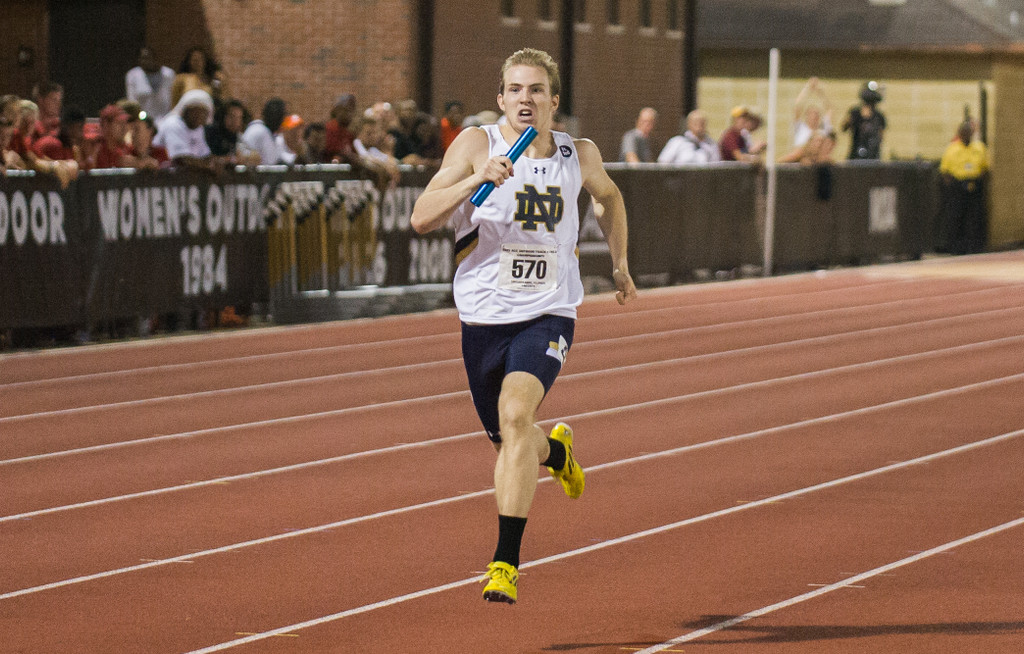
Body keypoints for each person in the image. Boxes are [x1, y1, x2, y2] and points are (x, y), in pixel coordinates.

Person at [409, 47, 636, 605]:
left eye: (536, 90)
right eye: (515, 89)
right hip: (483, 317)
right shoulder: (474, 144)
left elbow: (609, 199)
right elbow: (421, 216)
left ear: (554, 101)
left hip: (549, 310)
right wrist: (474, 181)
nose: (525, 99)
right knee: (512, 440)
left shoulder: (575, 154)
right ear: (500, 98)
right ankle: (556, 454)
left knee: (516, 415)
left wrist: (621, 262)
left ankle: (504, 564)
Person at [939, 120, 988, 255]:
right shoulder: (952, 149)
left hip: (974, 186)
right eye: (964, 133)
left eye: (969, 133)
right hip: (958, 187)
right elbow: (945, 171)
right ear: (960, 134)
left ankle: (975, 247)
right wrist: (953, 187)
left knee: (975, 218)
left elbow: (984, 168)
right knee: (956, 217)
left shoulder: (979, 148)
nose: (966, 135)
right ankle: (956, 248)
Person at [153, 89, 220, 172]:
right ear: (185, 110)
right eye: (195, 111)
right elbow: (180, 159)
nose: (199, 116)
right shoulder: (173, 124)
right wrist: (207, 166)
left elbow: (205, 156)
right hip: (161, 177)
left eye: (203, 112)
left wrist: (216, 163)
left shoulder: (198, 128)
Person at [125, 46, 175, 122]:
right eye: (142, 58)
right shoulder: (133, 75)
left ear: (154, 58)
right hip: (143, 120)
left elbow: (173, 97)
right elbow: (132, 100)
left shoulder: (168, 74)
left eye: (148, 58)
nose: (145, 61)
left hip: (166, 119)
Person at [842, 81, 886, 160]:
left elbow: (881, 136)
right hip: (856, 153)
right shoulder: (855, 113)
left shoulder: (878, 116)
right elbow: (844, 127)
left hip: (872, 155)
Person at [240, 97, 287, 165]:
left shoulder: (275, 136)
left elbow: (281, 158)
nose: (284, 122)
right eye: (282, 118)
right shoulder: (257, 130)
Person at [792, 77, 833, 148]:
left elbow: (829, 109)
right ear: (806, 116)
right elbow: (797, 107)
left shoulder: (823, 129)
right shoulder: (800, 127)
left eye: (817, 114)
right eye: (812, 114)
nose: (814, 117)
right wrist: (807, 88)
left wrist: (820, 91)